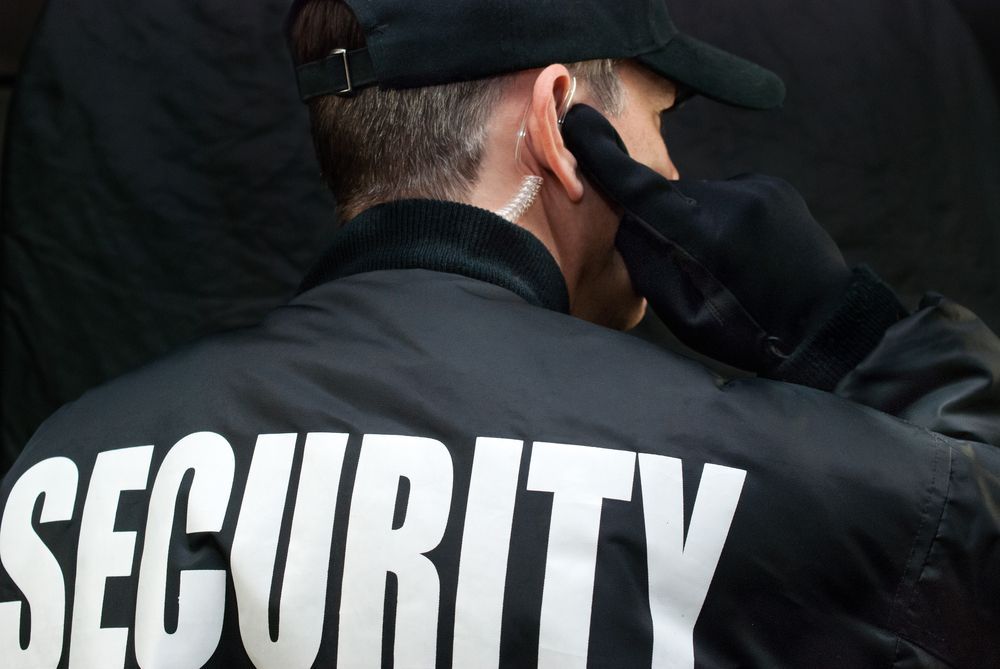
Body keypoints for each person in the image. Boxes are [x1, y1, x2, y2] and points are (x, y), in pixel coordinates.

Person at [1, 0, 997, 667]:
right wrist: (850, 331)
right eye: (659, 119)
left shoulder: (62, 474)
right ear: (561, 122)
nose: (671, 170)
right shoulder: (745, 482)